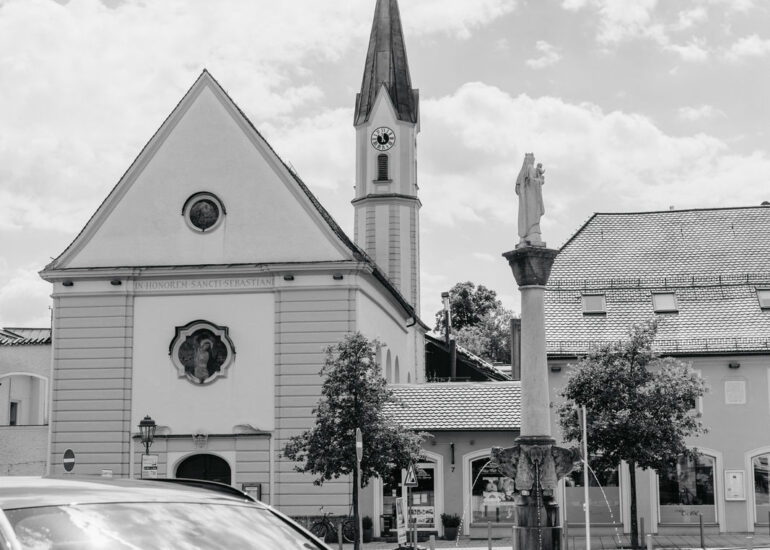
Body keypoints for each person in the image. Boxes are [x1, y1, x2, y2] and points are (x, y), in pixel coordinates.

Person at [515, 153, 545, 246]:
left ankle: (526, 236)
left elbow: (518, 188)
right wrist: (540, 180)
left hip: (528, 201)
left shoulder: (523, 172)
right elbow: (532, 182)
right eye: (532, 159)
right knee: (533, 217)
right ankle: (532, 234)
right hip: (532, 200)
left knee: (530, 217)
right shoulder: (530, 168)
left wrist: (538, 178)